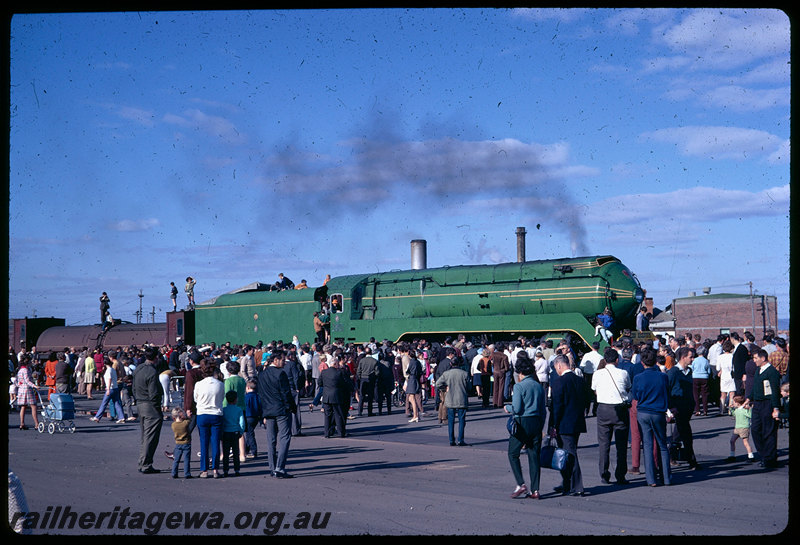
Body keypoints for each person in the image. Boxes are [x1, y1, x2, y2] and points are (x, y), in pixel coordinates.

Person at [505, 356, 546, 500]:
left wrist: (507, 407)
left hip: (522, 422)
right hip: (536, 422)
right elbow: (543, 410)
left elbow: (516, 408)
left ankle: (521, 484)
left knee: (513, 453)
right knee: (534, 456)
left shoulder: (519, 386)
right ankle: (535, 489)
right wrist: (541, 425)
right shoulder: (538, 386)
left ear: (520, 372)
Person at [631, 346, 672, 487]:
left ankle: (651, 479)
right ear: (655, 361)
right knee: (662, 445)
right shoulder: (663, 377)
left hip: (643, 412)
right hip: (658, 412)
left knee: (647, 445)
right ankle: (666, 477)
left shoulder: (638, 378)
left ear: (642, 363)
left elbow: (635, 396)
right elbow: (667, 393)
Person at [592, 347, 631, 484]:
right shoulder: (623, 373)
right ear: (617, 360)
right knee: (621, 445)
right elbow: (627, 388)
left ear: (604, 360)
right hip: (619, 409)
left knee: (604, 444)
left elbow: (595, 390)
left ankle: (604, 473)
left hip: (603, 408)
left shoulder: (597, 374)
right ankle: (620, 474)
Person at [550, 354, 586, 496]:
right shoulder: (580, 380)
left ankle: (577, 485)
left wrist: (553, 425)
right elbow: (586, 400)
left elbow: (556, 407)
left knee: (569, 454)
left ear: (559, 365)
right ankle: (566, 483)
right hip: (577, 422)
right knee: (568, 453)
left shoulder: (559, 383)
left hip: (564, 424)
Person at [257, 351, 297, 478]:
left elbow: (261, 394)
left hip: (268, 410)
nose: (285, 362)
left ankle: (272, 467)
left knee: (271, 440)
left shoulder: (262, 375)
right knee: (285, 437)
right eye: (283, 360)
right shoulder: (281, 374)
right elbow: (286, 393)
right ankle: (280, 467)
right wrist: (292, 407)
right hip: (281, 410)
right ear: (275, 360)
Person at [746, 349, 782, 469]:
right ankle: (764, 454)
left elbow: (775, 391)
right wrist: (748, 398)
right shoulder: (758, 371)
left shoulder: (772, 372)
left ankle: (769, 459)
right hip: (757, 404)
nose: (754, 360)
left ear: (763, 358)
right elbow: (755, 387)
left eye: (756, 358)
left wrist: (775, 407)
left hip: (768, 404)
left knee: (768, 431)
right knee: (755, 430)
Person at [132, 346, 164, 474]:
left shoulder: (139, 369)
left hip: (140, 403)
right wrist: (157, 406)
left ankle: (143, 462)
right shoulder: (152, 372)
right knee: (150, 437)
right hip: (150, 406)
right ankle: (145, 464)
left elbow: (134, 388)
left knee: (145, 436)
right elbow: (154, 394)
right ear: (156, 357)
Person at [668, 346, 700, 469]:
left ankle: (673, 455)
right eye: (690, 357)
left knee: (679, 433)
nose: (693, 359)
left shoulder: (689, 371)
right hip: (678, 408)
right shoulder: (673, 372)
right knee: (686, 434)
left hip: (687, 407)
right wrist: (671, 407)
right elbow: (668, 389)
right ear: (683, 357)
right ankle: (691, 461)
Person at [194, 358, 224, 478]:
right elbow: (222, 398)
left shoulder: (199, 384)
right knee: (216, 442)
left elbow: (196, 399)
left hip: (202, 414)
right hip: (216, 414)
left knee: (204, 443)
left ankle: (204, 470)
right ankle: (216, 469)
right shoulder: (220, 384)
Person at [435, 354, 470, 446]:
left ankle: (451, 440)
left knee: (451, 421)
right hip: (461, 399)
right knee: (462, 420)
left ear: (451, 363)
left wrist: (445, 387)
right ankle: (460, 440)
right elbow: (469, 387)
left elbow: (438, 384)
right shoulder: (464, 374)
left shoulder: (446, 374)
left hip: (450, 399)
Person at [320, 356, 353, 438]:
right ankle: (341, 432)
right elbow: (344, 383)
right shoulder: (339, 372)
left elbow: (319, 383)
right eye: (337, 364)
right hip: (337, 395)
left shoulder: (324, 372)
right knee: (338, 414)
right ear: (335, 364)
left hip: (326, 395)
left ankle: (327, 433)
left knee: (327, 415)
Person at [90, 355, 127, 423]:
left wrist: (108, 389)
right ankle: (121, 417)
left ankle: (97, 417)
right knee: (117, 403)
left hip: (111, 388)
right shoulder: (113, 369)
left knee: (104, 403)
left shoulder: (108, 370)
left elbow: (109, 379)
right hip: (115, 388)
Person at [222, 390, 245, 477]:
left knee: (226, 452)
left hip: (226, 432)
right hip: (235, 432)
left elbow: (222, 422)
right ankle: (237, 469)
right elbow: (242, 422)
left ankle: (225, 470)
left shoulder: (224, 410)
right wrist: (241, 431)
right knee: (236, 452)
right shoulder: (238, 409)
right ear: (236, 399)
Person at [726, 395, 755, 463]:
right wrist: (731, 409)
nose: (733, 403)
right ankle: (732, 455)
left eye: (734, 402)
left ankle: (751, 456)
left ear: (738, 403)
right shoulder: (737, 410)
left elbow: (750, 415)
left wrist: (749, 409)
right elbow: (734, 414)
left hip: (744, 428)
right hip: (737, 428)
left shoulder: (744, 410)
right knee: (732, 441)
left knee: (745, 442)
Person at [15, 357, 40, 430]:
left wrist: (19, 385)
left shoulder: (20, 370)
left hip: (21, 389)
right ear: (28, 363)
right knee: (33, 406)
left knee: (23, 406)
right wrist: (34, 386)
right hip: (27, 389)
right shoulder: (26, 370)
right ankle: (36, 424)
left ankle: (22, 423)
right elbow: (27, 381)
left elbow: (17, 380)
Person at [579, 341, 603, 417]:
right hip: (596, 375)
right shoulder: (600, 357)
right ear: (598, 348)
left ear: (592, 347)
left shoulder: (586, 355)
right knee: (596, 394)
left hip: (587, 375)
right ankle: (595, 411)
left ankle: (586, 410)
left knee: (587, 394)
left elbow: (581, 366)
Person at [356, 348, 379, 417]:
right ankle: (369, 412)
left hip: (363, 379)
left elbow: (358, 371)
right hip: (371, 379)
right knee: (370, 396)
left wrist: (360, 377)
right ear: (371, 352)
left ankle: (360, 411)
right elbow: (377, 372)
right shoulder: (374, 361)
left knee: (361, 396)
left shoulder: (362, 360)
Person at [170, 407, 192, 479]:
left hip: (178, 444)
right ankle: (187, 473)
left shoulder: (173, 425)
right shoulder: (185, 423)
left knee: (176, 459)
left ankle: (174, 473)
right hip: (186, 443)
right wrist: (187, 416)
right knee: (186, 459)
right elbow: (189, 420)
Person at [691, 344, 712, 416]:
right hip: (704, 377)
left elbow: (692, 368)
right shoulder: (706, 361)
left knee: (696, 394)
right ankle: (705, 410)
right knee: (704, 394)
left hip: (695, 377)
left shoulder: (695, 360)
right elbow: (708, 371)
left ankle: (697, 410)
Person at [404, 348, 423, 423]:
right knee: (413, 397)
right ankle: (416, 415)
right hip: (416, 379)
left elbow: (407, 371)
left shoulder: (411, 362)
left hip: (412, 379)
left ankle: (415, 415)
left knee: (411, 398)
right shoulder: (418, 362)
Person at [717, 340, 736, 415]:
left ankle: (721, 410)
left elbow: (718, 368)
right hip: (731, 376)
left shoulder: (720, 357)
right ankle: (730, 410)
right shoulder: (733, 356)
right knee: (732, 393)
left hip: (723, 376)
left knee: (723, 394)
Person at [244, 380, 261, 458]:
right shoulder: (258, 396)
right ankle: (246, 449)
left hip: (248, 416)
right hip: (256, 417)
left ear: (247, 388)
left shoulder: (246, 397)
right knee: (249, 433)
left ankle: (253, 450)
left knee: (249, 434)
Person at [489, 344, 510, 408]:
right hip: (501, 372)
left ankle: (494, 402)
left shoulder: (493, 354)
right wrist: (504, 370)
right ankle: (500, 403)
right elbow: (507, 367)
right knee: (501, 387)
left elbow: (490, 362)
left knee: (495, 387)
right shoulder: (504, 356)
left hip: (495, 371)